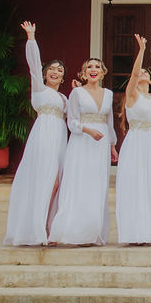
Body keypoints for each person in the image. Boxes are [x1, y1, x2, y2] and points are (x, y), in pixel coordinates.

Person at [3, 21, 68, 246]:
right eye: (51, 69)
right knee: (44, 179)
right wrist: (31, 38)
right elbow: (33, 65)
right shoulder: (40, 90)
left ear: (63, 77)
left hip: (60, 140)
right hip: (44, 137)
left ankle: (47, 225)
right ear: (45, 73)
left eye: (59, 70)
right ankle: (38, 229)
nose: (55, 72)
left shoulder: (65, 99)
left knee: (57, 183)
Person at [50, 57, 118, 245]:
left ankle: (93, 232)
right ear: (83, 73)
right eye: (89, 67)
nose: (93, 69)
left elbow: (109, 121)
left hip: (102, 143)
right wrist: (87, 130)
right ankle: (74, 231)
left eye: (97, 67)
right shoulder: (77, 93)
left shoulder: (109, 94)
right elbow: (71, 121)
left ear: (103, 72)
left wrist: (112, 145)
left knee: (97, 186)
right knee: (80, 184)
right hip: (82, 142)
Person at [115, 33, 151, 245]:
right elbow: (134, 72)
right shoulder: (132, 95)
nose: (144, 74)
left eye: (147, 72)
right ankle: (133, 232)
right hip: (136, 142)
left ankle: (148, 232)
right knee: (134, 184)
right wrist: (142, 51)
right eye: (142, 73)